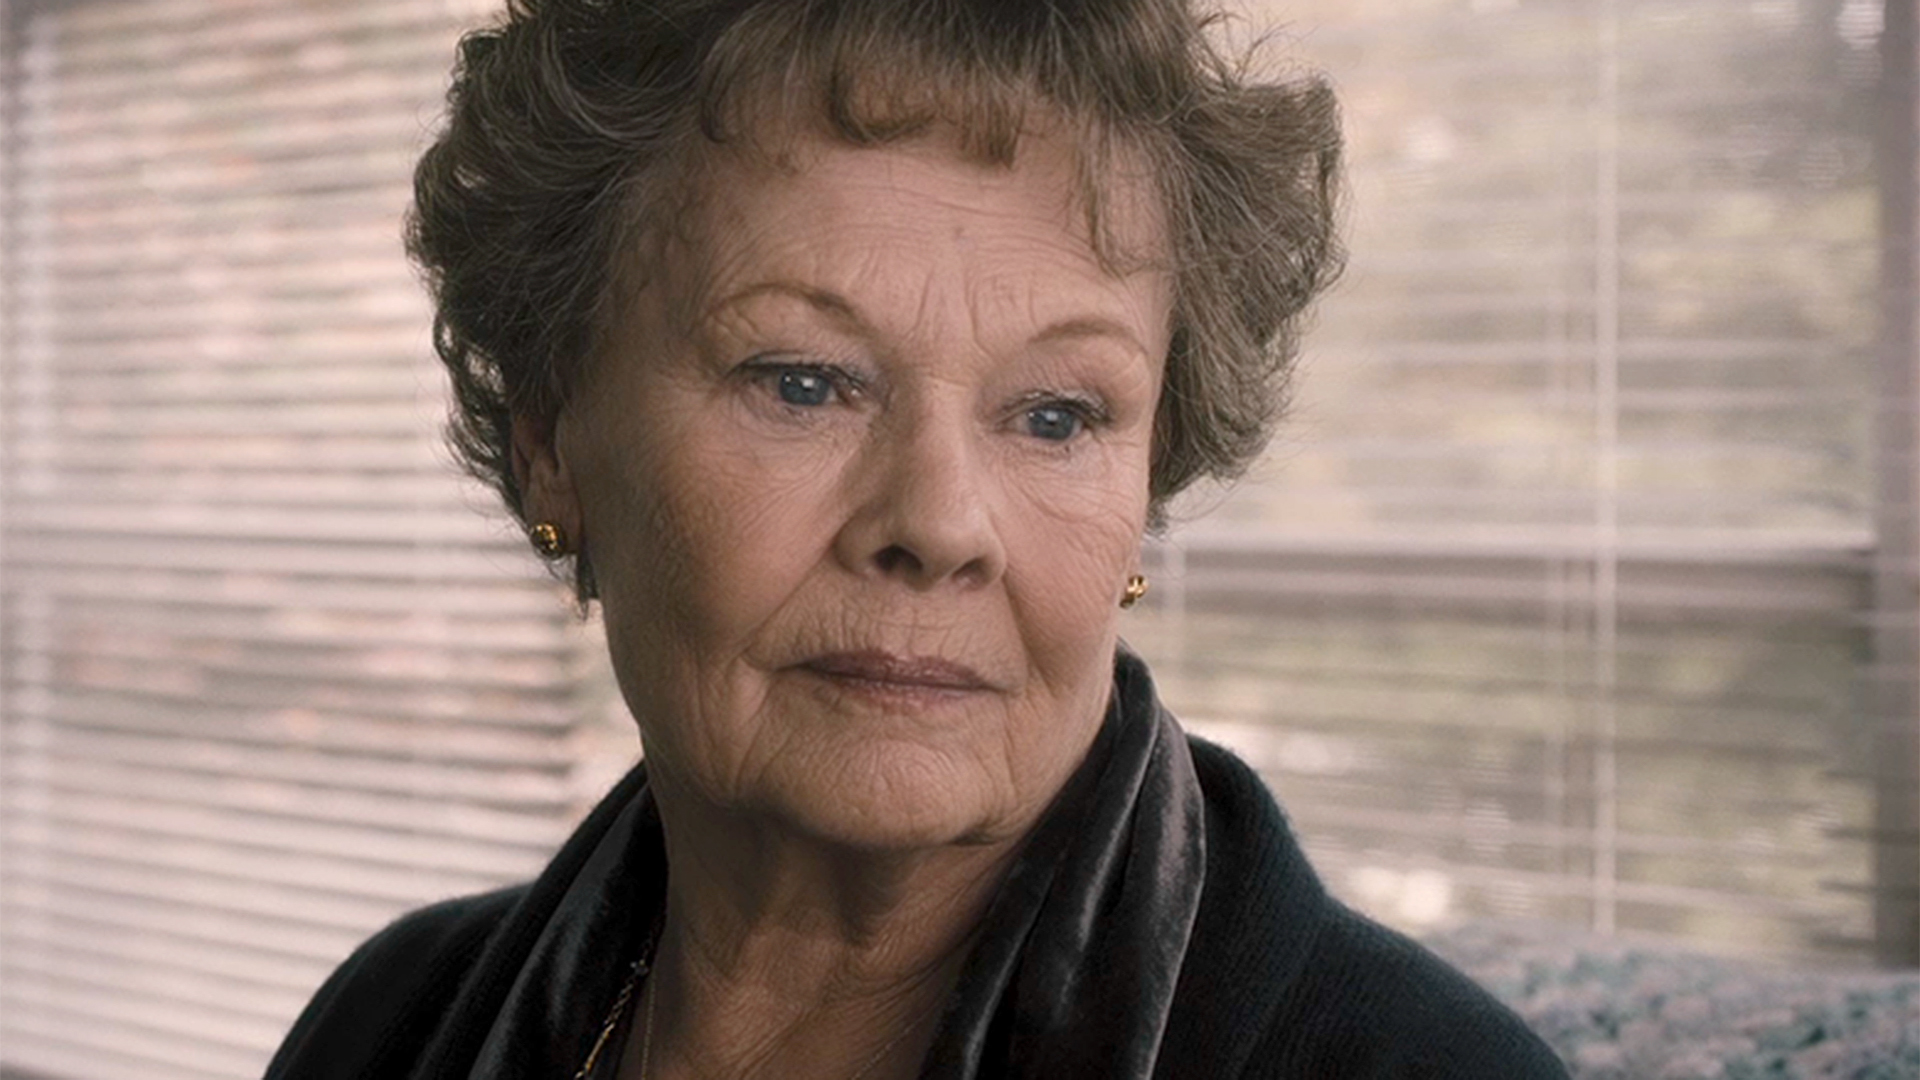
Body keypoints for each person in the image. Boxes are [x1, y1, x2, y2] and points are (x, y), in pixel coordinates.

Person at [268, 0, 1569, 1076]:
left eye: (1057, 415)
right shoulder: (390, 1024)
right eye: (803, 382)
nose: (940, 527)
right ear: (553, 440)